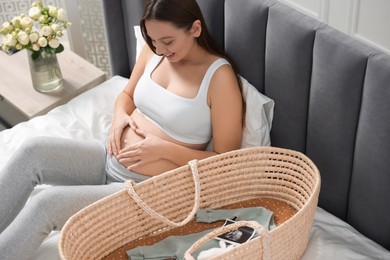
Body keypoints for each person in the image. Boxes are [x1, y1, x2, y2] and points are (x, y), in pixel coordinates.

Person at [0, 0, 243, 258]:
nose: (160, 49)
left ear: (195, 29)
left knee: (46, 205)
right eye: (153, 40)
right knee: (32, 150)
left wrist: (164, 149)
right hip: (108, 156)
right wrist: (118, 118)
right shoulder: (154, 52)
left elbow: (223, 164)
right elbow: (126, 94)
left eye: (168, 41)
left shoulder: (219, 78)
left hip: (144, 189)